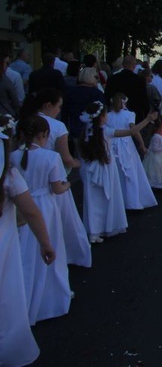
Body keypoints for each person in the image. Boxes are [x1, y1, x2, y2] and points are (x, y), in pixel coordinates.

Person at [0, 116, 56, 366]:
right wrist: (45, 243)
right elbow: (31, 212)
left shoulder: (13, 166)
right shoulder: (9, 176)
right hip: (4, 244)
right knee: (7, 294)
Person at [12, 116, 72, 325]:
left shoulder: (11, 157)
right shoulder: (50, 157)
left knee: (24, 251)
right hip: (45, 206)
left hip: (19, 208)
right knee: (51, 246)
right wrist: (67, 185)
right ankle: (51, 296)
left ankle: (23, 298)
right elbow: (57, 187)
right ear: (44, 135)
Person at [20, 89, 91, 268]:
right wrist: (77, 163)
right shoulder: (57, 127)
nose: (60, 110)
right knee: (62, 225)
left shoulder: (23, 123)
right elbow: (65, 157)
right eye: (58, 106)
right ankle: (68, 256)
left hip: (24, 187)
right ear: (48, 105)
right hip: (52, 182)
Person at [79, 101, 156, 243]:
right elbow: (131, 131)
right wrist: (148, 119)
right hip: (106, 166)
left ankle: (93, 231)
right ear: (102, 117)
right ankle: (108, 226)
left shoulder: (86, 131)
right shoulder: (106, 131)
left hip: (90, 167)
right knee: (108, 197)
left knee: (92, 199)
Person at [106, 93, 158, 210]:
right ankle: (133, 201)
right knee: (131, 172)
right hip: (126, 145)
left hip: (112, 145)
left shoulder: (108, 116)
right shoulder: (129, 114)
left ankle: (119, 201)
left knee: (117, 172)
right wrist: (142, 144)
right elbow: (134, 131)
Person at [62, 67, 106, 140]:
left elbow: (64, 113)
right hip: (92, 130)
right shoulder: (97, 94)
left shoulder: (70, 92)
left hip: (74, 129)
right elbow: (102, 113)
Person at [104, 55, 150, 123]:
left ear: (123, 65)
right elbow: (144, 99)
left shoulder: (112, 79)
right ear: (134, 65)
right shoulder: (139, 80)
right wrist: (146, 114)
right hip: (135, 114)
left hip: (116, 112)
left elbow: (107, 97)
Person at [0, 52, 20, 118]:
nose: (7, 66)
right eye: (6, 63)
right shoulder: (4, 80)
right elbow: (15, 101)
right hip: (5, 115)